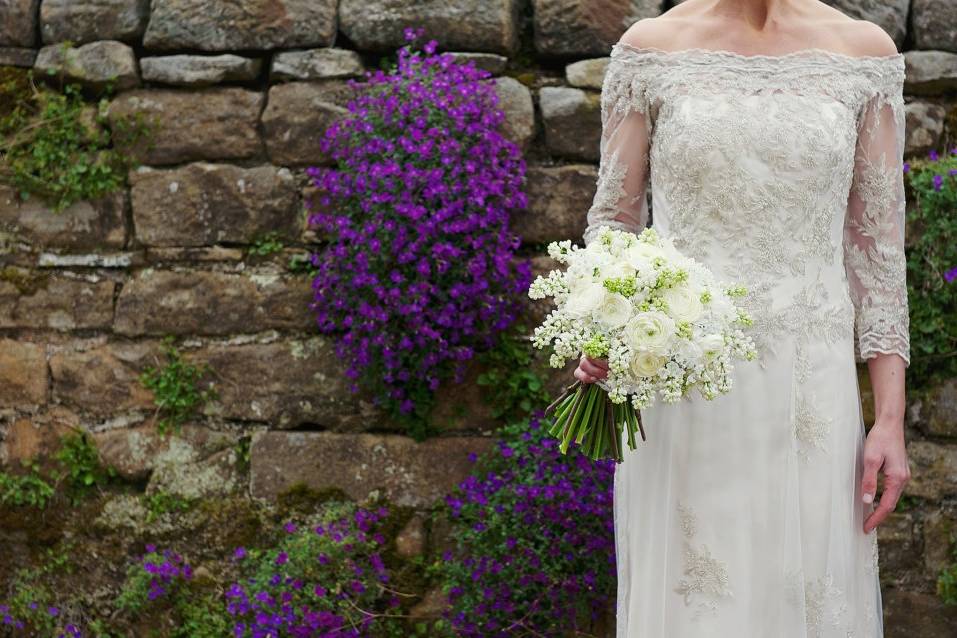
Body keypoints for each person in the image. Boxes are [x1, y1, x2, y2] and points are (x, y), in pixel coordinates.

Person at [573, 0, 911, 635]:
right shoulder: (651, 48)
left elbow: (876, 249)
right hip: (684, 383)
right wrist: (604, 329)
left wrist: (889, 419)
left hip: (811, 390)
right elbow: (614, 221)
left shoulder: (863, 54)